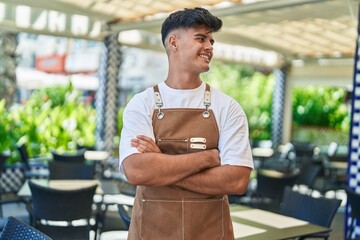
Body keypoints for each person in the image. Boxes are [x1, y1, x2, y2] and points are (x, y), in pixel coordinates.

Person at [119, 7, 254, 240]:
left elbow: (237, 180)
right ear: (173, 43)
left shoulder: (228, 107)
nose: (210, 46)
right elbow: (137, 170)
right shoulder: (142, 104)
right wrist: (207, 158)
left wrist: (161, 164)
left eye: (211, 40)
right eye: (201, 38)